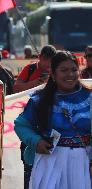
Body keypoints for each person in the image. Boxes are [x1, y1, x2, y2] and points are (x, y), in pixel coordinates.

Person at [14, 51, 92, 189]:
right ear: (54, 75)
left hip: (82, 162)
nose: (70, 74)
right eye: (64, 70)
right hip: (49, 162)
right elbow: (21, 125)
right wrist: (36, 141)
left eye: (74, 70)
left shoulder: (88, 98)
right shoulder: (40, 100)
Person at [13, 45, 56, 189]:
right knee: (29, 167)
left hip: (49, 126)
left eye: (51, 62)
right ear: (40, 58)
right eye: (46, 61)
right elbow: (16, 87)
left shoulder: (56, 72)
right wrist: (36, 83)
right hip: (30, 121)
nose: (47, 65)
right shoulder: (30, 69)